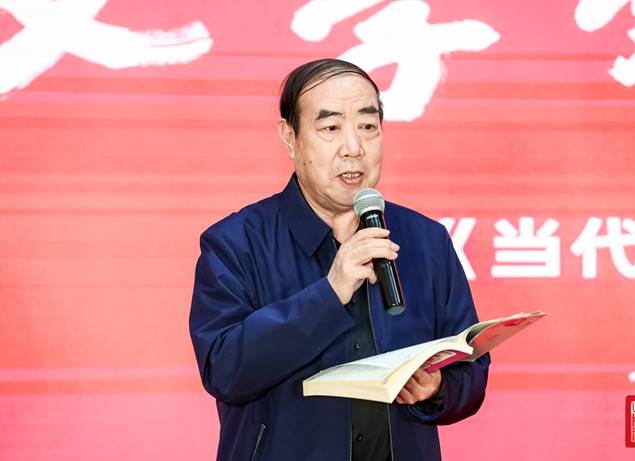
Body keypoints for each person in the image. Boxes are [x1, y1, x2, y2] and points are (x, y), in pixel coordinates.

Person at [189, 58, 490, 461]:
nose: (354, 148)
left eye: (368, 126)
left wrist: (438, 389)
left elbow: (471, 369)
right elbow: (225, 371)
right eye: (331, 128)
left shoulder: (426, 239)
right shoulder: (236, 243)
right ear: (290, 137)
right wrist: (329, 294)